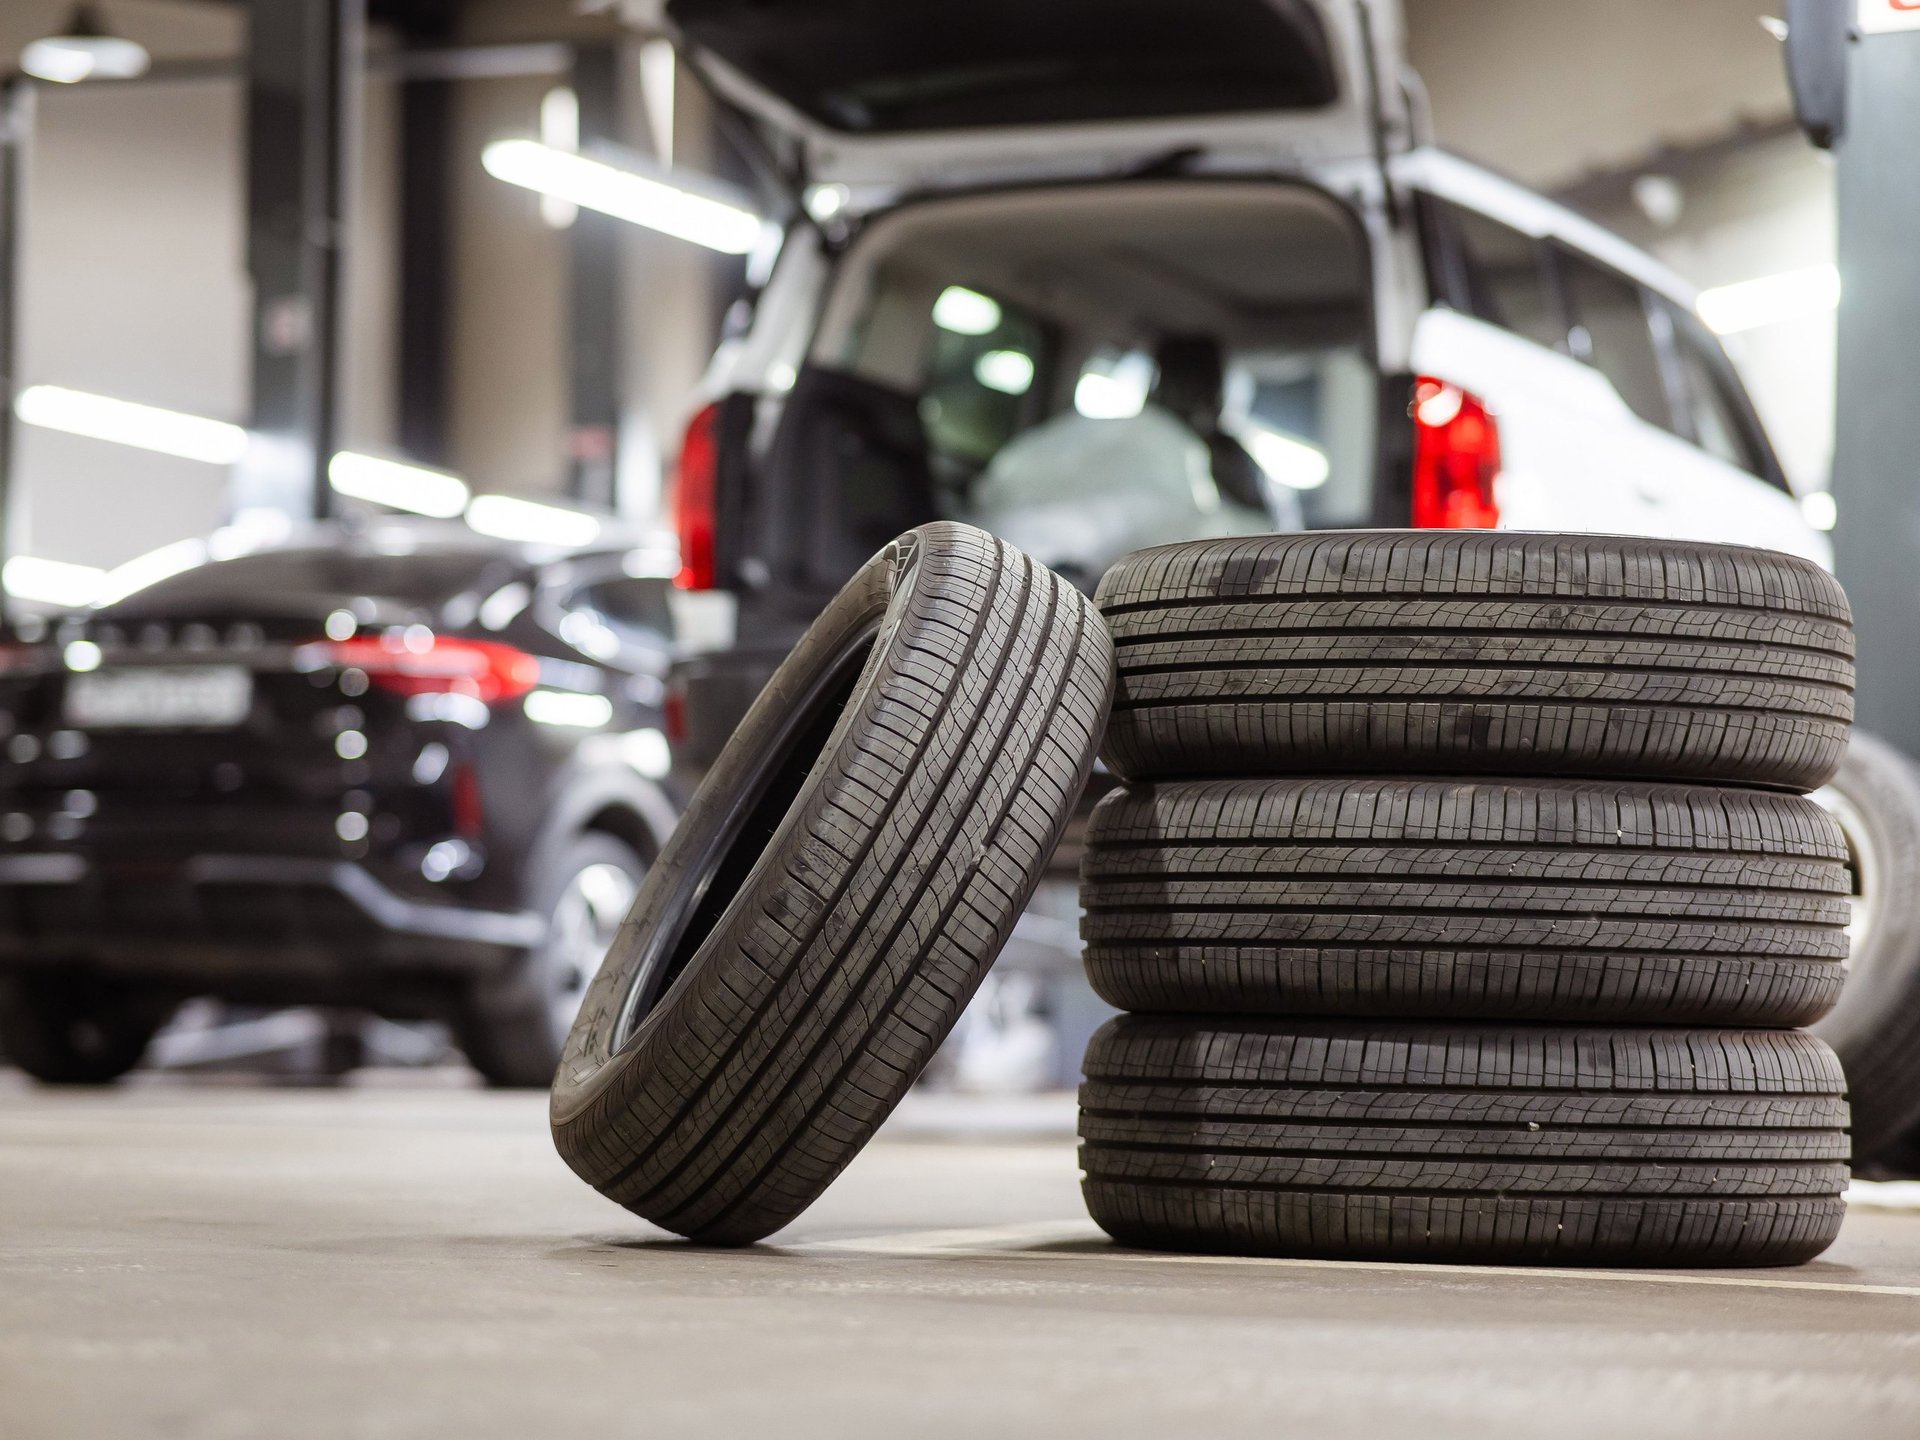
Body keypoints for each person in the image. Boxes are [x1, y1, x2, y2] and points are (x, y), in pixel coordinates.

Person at [966, 334, 1296, 587]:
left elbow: (995, 486)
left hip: (990, 563)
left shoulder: (1091, 429)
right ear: (1220, 393)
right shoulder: (1199, 455)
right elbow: (1263, 547)